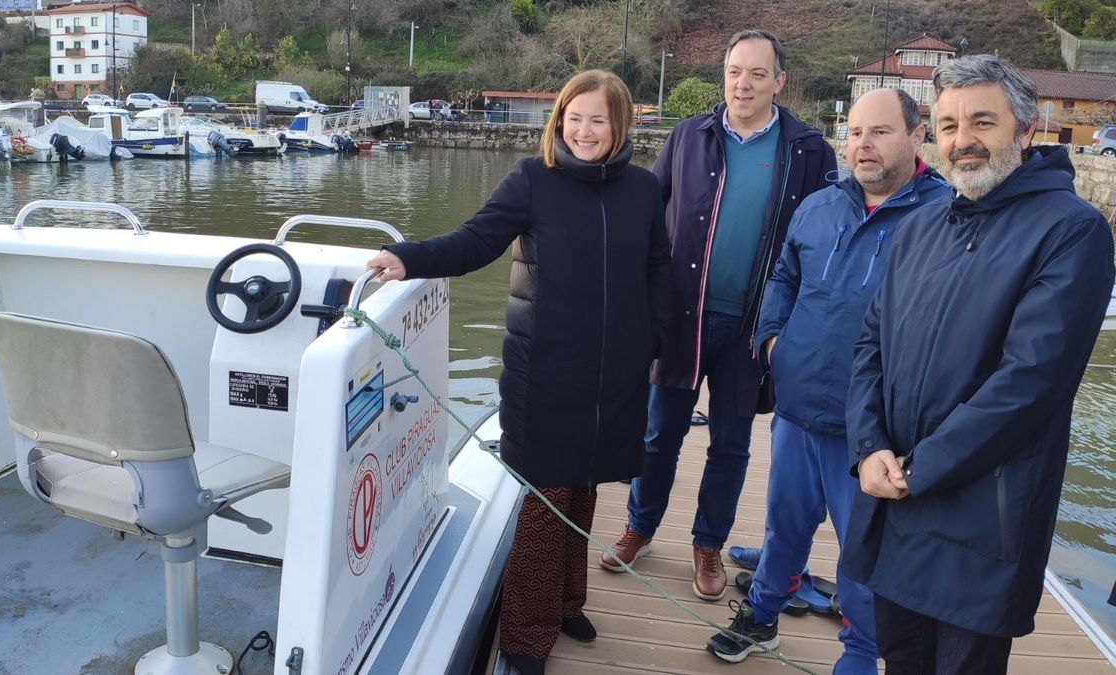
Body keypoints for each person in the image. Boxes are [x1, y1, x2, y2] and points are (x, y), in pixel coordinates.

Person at [365, 70, 671, 675]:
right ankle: (526, 637)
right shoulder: (534, 180)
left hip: (617, 371)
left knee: (584, 489)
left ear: (620, 126)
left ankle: (565, 602)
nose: (584, 131)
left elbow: (658, 268)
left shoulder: (642, 189)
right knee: (545, 497)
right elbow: (477, 240)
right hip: (547, 370)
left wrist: (655, 338)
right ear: (559, 121)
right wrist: (410, 256)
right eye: (573, 118)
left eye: (598, 120)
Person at [845, 54, 1115, 674]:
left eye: (982, 122)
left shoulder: (1070, 231)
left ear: (1024, 131)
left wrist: (920, 467)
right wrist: (868, 448)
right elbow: (870, 346)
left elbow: (1030, 383)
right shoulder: (919, 228)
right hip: (895, 501)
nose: (962, 141)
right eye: (947, 126)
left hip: (982, 523)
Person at [705, 88, 950, 670]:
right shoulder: (819, 206)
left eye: (881, 131)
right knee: (783, 527)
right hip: (797, 408)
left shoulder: (941, 218)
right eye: (856, 132)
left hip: (873, 431)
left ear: (917, 137)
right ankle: (762, 616)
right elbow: (783, 278)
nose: (863, 144)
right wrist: (773, 344)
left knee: (863, 553)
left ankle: (862, 653)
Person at [601, 29, 837, 602]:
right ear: (723, 75)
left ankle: (708, 543)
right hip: (683, 318)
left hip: (755, 327)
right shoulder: (687, 137)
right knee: (659, 435)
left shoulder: (809, 150)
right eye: (735, 71)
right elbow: (648, 221)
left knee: (731, 445)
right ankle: (640, 525)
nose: (744, 83)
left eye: (758, 73)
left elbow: (826, 239)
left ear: (780, 81)